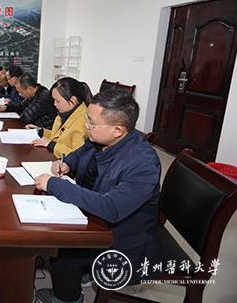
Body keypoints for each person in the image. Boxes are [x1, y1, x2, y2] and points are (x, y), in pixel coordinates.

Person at [33, 90, 161, 303]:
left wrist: (55, 184)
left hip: (124, 235)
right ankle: (82, 273)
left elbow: (112, 207)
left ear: (117, 130)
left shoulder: (143, 163)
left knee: (64, 253)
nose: (86, 127)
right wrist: (67, 163)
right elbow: (80, 153)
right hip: (97, 217)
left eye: (91, 123)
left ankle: (67, 299)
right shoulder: (101, 139)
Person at [28, 77, 91, 158]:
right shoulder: (65, 113)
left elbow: (76, 156)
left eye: (58, 101)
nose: (55, 104)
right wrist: (41, 131)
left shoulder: (83, 121)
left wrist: (52, 145)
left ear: (73, 99)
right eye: (54, 100)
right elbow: (59, 137)